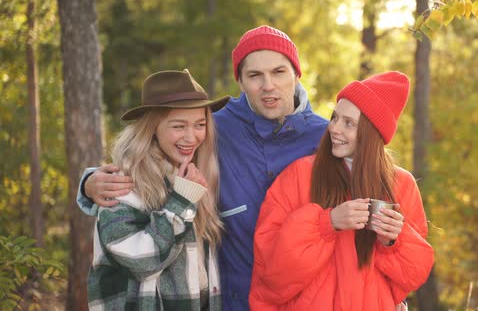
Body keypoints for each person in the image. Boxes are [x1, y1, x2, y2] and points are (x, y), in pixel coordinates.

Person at [76, 26, 328, 310]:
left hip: (304, 299)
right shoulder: (216, 125)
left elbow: (372, 177)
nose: (268, 85)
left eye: (279, 72)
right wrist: (90, 183)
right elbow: (154, 151)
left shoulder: (327, 137)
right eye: (255, 75)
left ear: (296, 75)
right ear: (241, 82)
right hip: (234, 298)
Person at [249, 71, 434, 310]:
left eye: (349, 123)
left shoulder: (402, 184)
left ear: (372, 133)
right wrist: (326, 223)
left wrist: (392, 242)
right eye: (335, 117)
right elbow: (271, 268)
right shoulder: (298, 175)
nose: (334, 129)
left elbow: (412, 277)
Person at [86, 69, 229, 310]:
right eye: (178, 126)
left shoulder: (194, 174)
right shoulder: (123, 183)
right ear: (153, 127)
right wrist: (182, 201)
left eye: (200, 124)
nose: (191, 137)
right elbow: (141, 262)